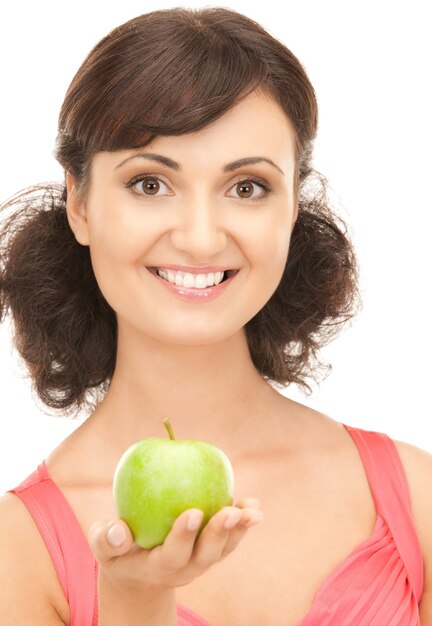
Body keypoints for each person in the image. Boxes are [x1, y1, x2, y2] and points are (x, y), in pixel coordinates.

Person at [0, 6, 430, 625]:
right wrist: (135, 600)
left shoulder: (416, 499)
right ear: (80, 204)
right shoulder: (20, 551)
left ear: (291, 209)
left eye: (247, 187)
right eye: (150, 184)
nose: (201, 240)